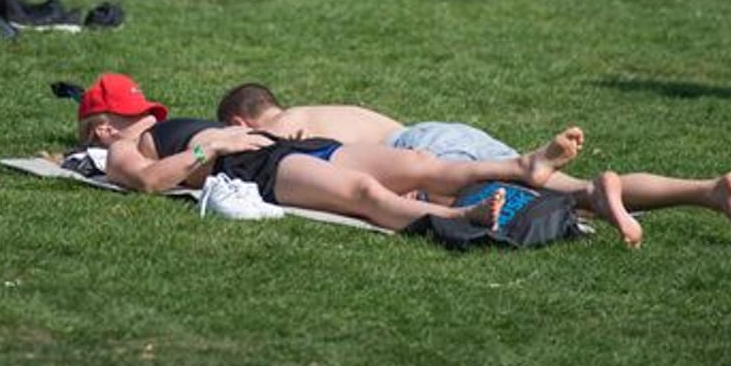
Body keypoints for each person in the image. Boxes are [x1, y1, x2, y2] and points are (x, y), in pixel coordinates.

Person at [215, 82, 731, 249]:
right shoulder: (330, 105)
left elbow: (296, 163)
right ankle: (714, 191)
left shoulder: (284, 127)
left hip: (425, 151)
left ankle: (599, 197)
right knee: (566, 186)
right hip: (450, 134)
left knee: (542, 199)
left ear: (245, 122)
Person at [74, 72, 588, 232]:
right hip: (255, 166)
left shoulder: (131, 136)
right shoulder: (121, 151)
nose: (144, 118)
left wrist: (219, 139)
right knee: (364, 192)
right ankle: (459, 214)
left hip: (283, 148)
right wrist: (215, 144)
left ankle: (525, 166)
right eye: (132, 113)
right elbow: (147, 183)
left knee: (419, 165)